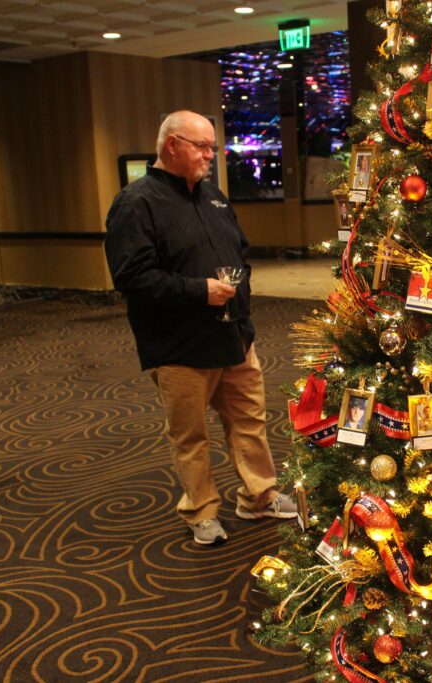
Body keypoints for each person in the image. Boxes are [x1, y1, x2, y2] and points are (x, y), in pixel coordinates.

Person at [104, 110, 297, 547]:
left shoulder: (213, 196)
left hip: (233, 337)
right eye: (202, 146)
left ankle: (259, 495)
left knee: (249, 422)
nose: (211, 154)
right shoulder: (136, 203)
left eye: (213, 146)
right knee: (191, 436)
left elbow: (239, 252)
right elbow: (131, 278)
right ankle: (201, 511)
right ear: (172, 145)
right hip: (179, 344)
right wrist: (198, 291)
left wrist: (242, 314)